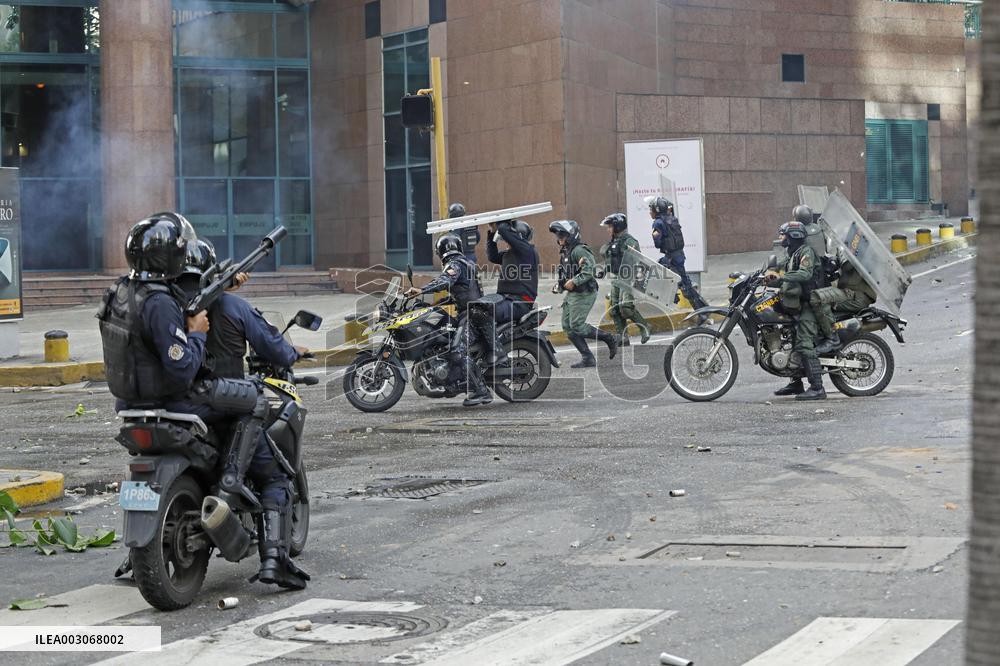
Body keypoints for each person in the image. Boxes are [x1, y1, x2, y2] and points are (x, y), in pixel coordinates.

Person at [99, 217, 309, 590]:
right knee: (266, 441)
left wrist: (223, 285)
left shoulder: (129, 292)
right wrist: (198, 334)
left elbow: (190, 296)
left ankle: (140, 553)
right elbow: (185, 362)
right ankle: (273, 554)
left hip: (134, 405)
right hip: (190, 398)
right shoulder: (174, 305)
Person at [406, 233, 491, 407]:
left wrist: (421, 290)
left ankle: (481, 391)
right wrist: (437, 304)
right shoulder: (466, 263)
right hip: (471, 312)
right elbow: (463, 293)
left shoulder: (455, 264)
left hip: (471, 317)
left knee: (457, 351)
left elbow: (445, 281)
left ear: (442, 251)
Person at [766, 221, 826, 401]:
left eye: (783, 234)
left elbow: (804, 274)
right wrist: (762, 275)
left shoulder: (806, 252)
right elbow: (780, 268)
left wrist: (781, 277)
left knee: (803, 341)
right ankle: (796, 382)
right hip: (800, 300)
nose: (780, 238)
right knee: (790, 334)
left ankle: (817, 388)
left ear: (793, 236)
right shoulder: (793, 253)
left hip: (811, 301)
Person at [549, 220, 618, 368]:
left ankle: (609, 338)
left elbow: (589, 270)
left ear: (572, 235)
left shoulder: (580, 250)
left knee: (577, 325)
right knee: (567, 326)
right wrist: (559, 287)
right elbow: (565, 274)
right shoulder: (566, 251)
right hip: (573, 294)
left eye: (562, 235)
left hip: (585, 292)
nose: (559, 238)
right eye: (558, 235)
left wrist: (574, 281)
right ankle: (588, 358)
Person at [476, 219, 539, 363]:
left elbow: (505, 231)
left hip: (519, 303)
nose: (505, 241)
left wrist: (500, 223)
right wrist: (491, 232)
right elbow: (492, 256)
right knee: (475, 308)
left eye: (508, 237)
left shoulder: (528, 252)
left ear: (518, 236)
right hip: (505, 299)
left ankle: (497, 353)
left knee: (482, 313)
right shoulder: (509, 254)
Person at [810, 252, 878, 354]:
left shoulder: (859, 251)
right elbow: (841, 273)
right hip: (852, 293)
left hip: (857, 296)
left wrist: (836, 261)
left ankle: (832, 339)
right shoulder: (853, 248)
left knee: (819, 299)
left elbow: (846, 265)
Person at [649, 197, 709, 313]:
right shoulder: (672, 219)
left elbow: (657, 243)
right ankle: (701, 308)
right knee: (678, 279)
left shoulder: (658, 223)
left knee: (684, 285)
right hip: (677, 256)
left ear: (656, 210)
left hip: (672, 258)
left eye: (651, 209)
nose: (650, 212)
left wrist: (656, 236)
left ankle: (702, 311)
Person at [599, 213, 651, 345]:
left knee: (625, 307)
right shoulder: (614, 242)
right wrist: (604, 270)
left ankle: (645, 327)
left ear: (617, 227)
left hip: (629, 277)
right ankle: (622, 337)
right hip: (617, 277)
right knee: (615, 308)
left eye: (610, 226)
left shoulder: (630, 241)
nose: (608, 229)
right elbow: (611, 260)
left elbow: (637, 261)